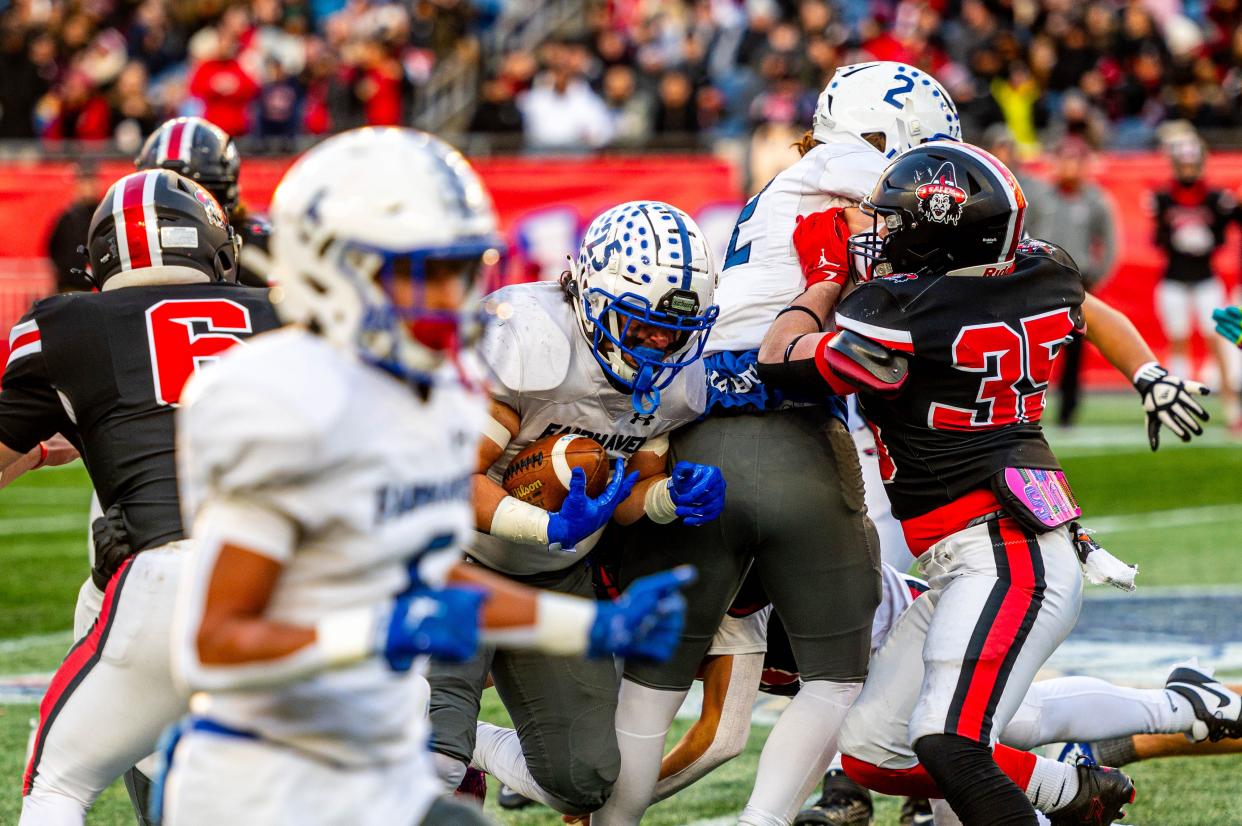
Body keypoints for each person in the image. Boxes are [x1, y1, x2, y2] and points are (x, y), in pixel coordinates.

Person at [160, 128, 695, 826]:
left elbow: (435, 571)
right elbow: (215, 642)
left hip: (380, 777)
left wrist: (589, 626)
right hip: (266, 776)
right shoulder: (273, 397)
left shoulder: (435, 395)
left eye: (462, 270)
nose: (453, 297)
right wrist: (377, 631)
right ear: (335, 266)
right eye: (425, 273)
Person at [759, 141, 1214, 825]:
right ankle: (1081, 781)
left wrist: (824, 277)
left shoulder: (902, 312)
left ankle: (1072, 788)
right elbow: (1093, 312)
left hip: (1001, 548)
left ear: (934, 233)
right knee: (874, 752)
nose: (882, 232)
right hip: (986, 541)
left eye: (896, 221)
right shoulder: (1045, 271)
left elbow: (778, 356)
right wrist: (1148, 373)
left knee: (950, 742)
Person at [590, 60, 962, 826]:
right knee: (836, 679)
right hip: (795, 432)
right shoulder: (862, 172)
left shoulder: (791, 180)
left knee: (655, 680)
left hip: (696, 436)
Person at [427, 200, 725, 819]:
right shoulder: (529, 334)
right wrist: (545, 524)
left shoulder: (677, 378)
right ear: (590, 293)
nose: (660, 343)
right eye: (641, 324)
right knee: (430, 758)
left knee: (583, 781)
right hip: (450, 559)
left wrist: (669, 497)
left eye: (675, 329)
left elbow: (624, 503)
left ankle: (477, 747)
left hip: (555, 576)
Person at [3, 168, 281, 826]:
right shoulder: (285, 309)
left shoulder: (64, 323)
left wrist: (41, 451)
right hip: (298, 578)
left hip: (171, 578)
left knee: (59, 782)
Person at [1022, 137, 1117, 427]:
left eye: (1075, 160)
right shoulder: (1040, 198)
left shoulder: (1096, 200)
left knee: (1074, 351)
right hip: (1040, 282)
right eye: (1064, 159)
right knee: (1032, 350)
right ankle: (1023, 410)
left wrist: (1095, 277)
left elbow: (1109, 245)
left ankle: (1068, 412)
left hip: (1078, 283)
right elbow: (1024, 236)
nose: (1069, 167)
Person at [1151, 131, 1239, 431]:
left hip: (1205, 279)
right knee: (1178, 342)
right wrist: (1176, 239)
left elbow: (1233, 222)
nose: (1188, 171)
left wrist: (1210, 239)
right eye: (1183, 165)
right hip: (1175, 279)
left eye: (1192, 165)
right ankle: (1176, 406)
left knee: (1216, 340)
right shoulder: (1163, 198)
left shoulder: (1216, 198)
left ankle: (1232, 408)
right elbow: (1157, 238)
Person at [135, 116, 272, 287]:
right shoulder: (129, 241)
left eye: (197, 192)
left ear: (226, 194)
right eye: (169, 195)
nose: (181, 209)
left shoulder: (260, 248)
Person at [44, 163, 99, 293]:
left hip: (96, 287)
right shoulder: (67, 218)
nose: (87, 188)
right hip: (71, 286)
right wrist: (66, 271)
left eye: (90, 183)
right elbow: (53, 247)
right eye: (83, 183)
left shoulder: (102, 214)